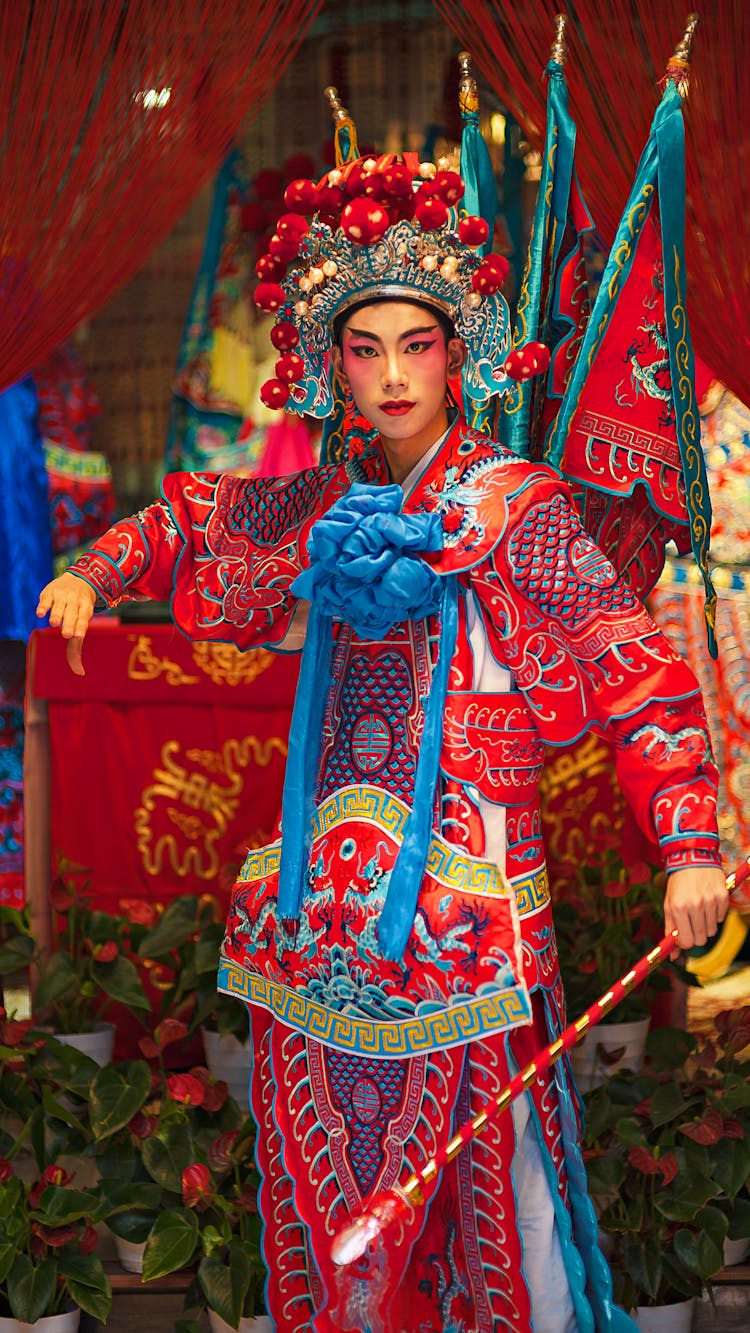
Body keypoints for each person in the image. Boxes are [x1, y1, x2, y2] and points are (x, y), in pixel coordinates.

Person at [37, 150, 728, 1333]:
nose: (394, 373)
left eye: (417, 344)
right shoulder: (322, 498)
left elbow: (634, 664)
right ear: (332, 365)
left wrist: (690, 845)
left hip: (470, 896)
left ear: (459, 353)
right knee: (327, 1177)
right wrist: (98, 567)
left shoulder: (514, 505)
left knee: (496, 1169)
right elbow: (198, 516)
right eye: (367, 349)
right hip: (330, 908)